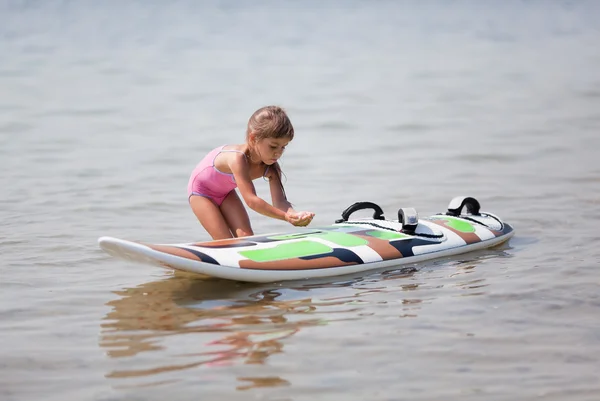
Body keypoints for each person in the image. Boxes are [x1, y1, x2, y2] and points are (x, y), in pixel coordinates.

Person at [187, 105, 315, 240]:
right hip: (201, 193)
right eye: (273, 146)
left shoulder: (271, 167)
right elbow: (251, 201)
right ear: (253, 138)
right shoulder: (237, 159)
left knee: (246, 239)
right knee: (225, 241)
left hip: (225, 193)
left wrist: (295, 215)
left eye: (283, 147)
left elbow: (280, 202)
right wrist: (285, 217)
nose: (278, 152)